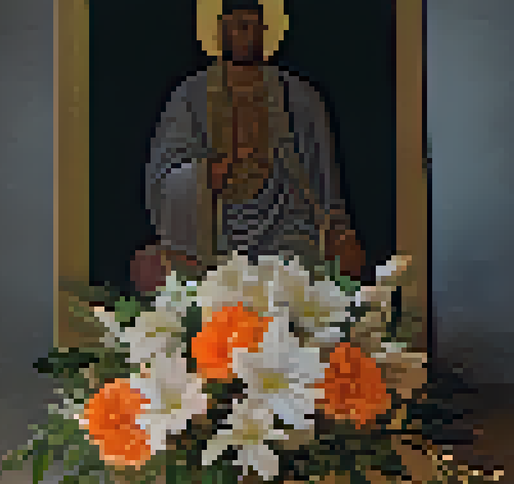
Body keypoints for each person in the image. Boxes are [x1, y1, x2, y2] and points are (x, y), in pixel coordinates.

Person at [131, 0, 367, 294]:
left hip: (287, 225)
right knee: (152, 266)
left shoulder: (302, 97)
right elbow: (163, 175)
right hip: (214, 228)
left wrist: (337, 229)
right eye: (235, 25)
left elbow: (323, 179)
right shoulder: (189, 96)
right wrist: (207, 174)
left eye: (250, 25)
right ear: (220, 31)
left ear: (265, 31)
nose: (243, 33)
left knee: (316, 267)